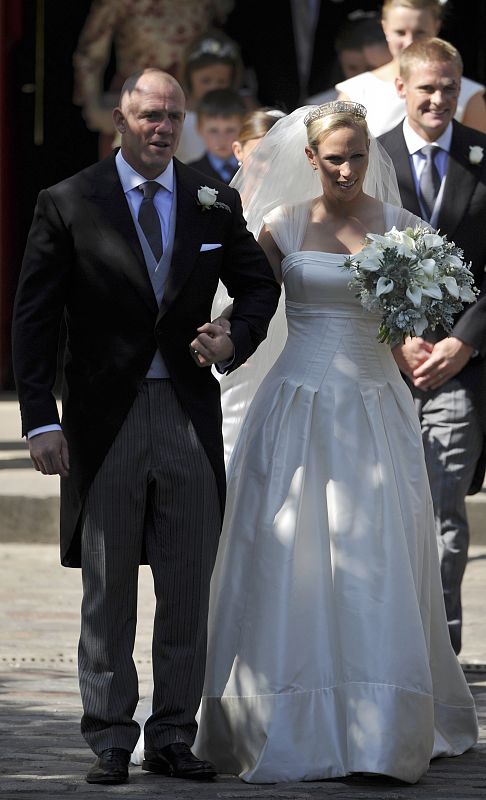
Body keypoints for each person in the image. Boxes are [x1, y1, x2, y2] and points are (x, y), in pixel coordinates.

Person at [192, 101, 478, 783]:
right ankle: (283, 713)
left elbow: (437, 305)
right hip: (296, 405)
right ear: (311, 158)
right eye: (335, 157)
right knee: (289, 553)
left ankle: (380, 729)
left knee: (375, 554)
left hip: (376, 409)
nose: (348, 169)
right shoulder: (283, 224)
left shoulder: (404, 229)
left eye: (357, 155)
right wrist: (223, 336)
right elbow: (253, 304)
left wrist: (432, 332)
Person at [11, 68, 280, 785]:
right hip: (106, 419)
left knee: (188, 585)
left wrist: (234, 334)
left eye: (172, 116)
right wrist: (39, 417)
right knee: (109, 590)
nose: (161, 127)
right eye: (148, 115)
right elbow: (34, 319)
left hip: (191, 413)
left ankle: (171, 736)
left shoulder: (212, 198)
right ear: (121, 122)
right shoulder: (68, 201)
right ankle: (108, 735)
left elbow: (261, 285)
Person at [379, 38, 486, 655]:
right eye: (427, 87)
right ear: (402, 87)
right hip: (381, 367)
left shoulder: (482, 159)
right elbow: (351, 257)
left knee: (444, 513)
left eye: (449, 87)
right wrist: (395, 339)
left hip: (460, 373)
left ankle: (437, 656)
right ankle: (385, 647)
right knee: (386, 515)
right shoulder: (370, 159)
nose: (439, 98)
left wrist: (466, 342)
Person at [72, 0, 234, 156]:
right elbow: (90, 55)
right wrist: (93, 104)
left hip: (193, 108)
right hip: (135, 101)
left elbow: (221, 43)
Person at [336, 0, 486, 136]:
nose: (409, 42)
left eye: (420, 32)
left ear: (436, 27)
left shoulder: (468, 95)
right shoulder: (356, 92)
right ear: (385, 27)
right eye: (400, 32)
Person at [176, 30, 246, 164]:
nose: (213, 88)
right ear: (189, 79)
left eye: (221, 82)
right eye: (205, 81)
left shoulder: (243, 110)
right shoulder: (179, 117)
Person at [307, 11, 391, 105]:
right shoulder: (318, 106)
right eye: (352, 68)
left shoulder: (399, 100)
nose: (360, 76)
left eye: (370, 68)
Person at [187, 89, 246, 183]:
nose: (222, 140)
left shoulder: (254, 170)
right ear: (199, 129)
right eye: (213, 131)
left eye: (230, 130)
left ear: (243, 129)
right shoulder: (189, 174)